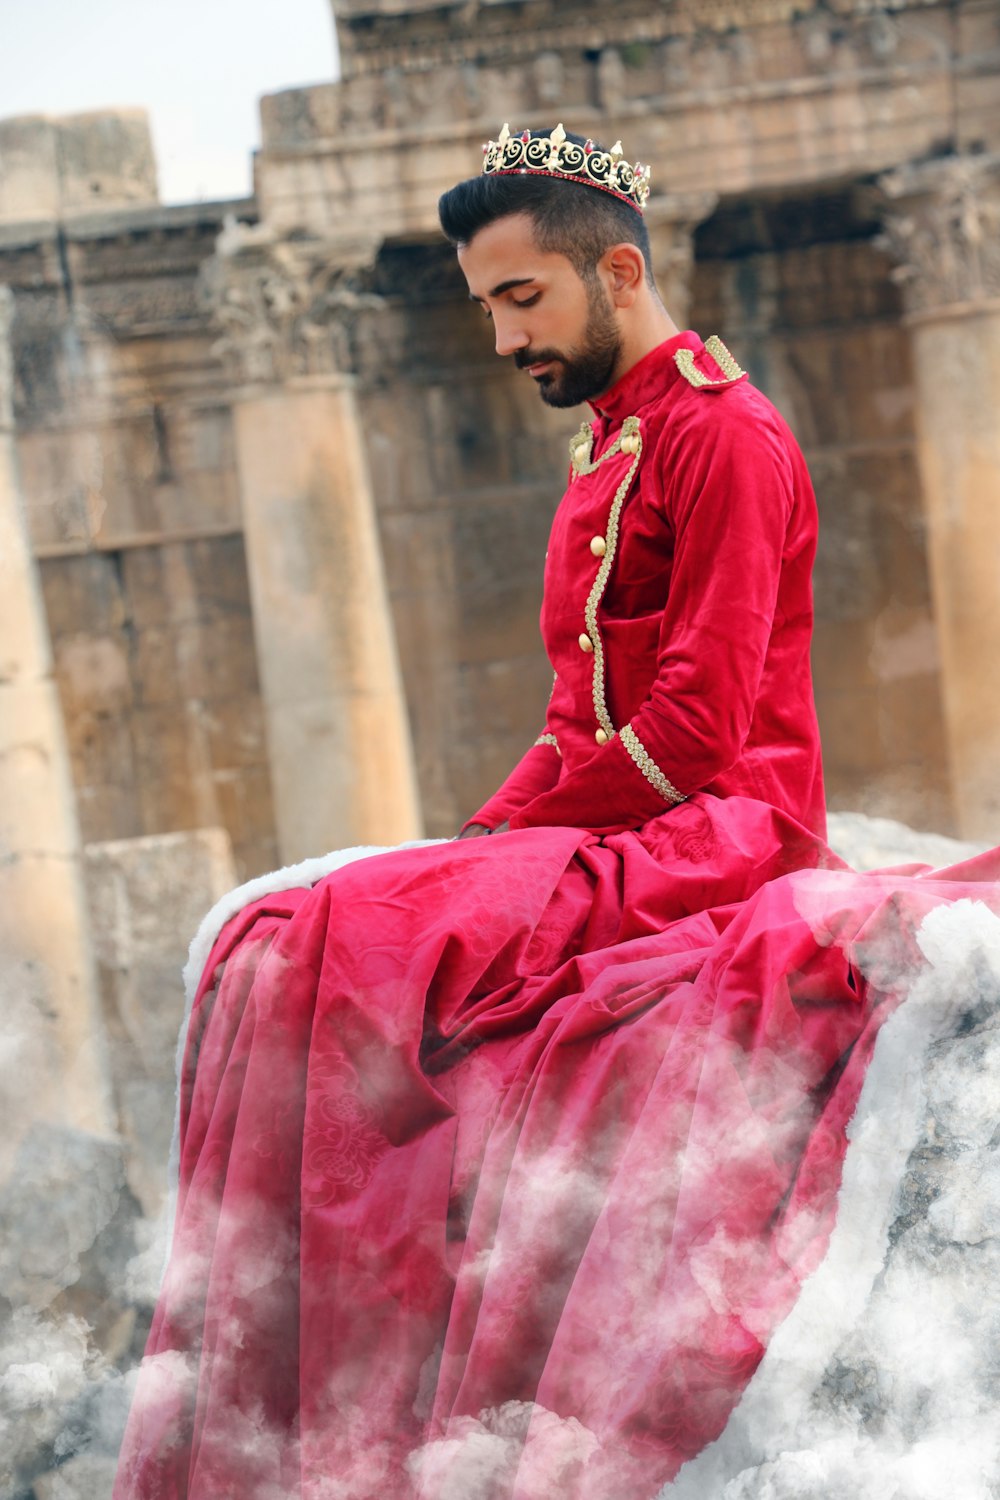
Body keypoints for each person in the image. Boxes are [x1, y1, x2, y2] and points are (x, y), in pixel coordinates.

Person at [113, 126, 1000, 1500]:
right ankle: (306, 1379)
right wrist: (476, 845)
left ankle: (351, 1385)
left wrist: (496, 860)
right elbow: (572, 725)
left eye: (522, 297)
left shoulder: (727, 437)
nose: (502, 334)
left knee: (338, 936)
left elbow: (694, 734)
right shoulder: (615, 445)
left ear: (619, 270)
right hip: (623, 818)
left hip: (720, 826)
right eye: (485, 307)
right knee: (299, 927)